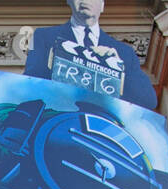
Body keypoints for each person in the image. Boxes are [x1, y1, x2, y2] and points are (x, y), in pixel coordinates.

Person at [24, 0, 157, 109]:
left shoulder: (123, 52)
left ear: (102, 5)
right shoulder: (43, 37)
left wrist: (119, 68)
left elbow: (149, 101)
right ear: (69, 1)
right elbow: (29, 83)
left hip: (103, 129)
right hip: (56, 118)